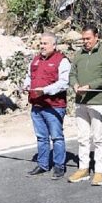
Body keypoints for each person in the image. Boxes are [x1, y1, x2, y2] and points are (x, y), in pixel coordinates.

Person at [68, 24, 102, 186]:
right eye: (83, 39)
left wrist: (88, 86)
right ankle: (83, 168)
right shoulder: (79, 54)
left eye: (88, 39)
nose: (85, 42)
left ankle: (99, 171)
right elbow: (72, 74)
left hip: (98, 101)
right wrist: (74, 85)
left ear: (96, 37)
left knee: (98, 138)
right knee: (82, 137)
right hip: (80, 102)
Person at [23, 32, 70, 180]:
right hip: (37, 106)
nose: (42, 46)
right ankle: (43, 164)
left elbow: (64, 83)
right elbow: (29, 77)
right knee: (41, 137)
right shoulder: (35, 60)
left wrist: (44, 90)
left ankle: (59, 166)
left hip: (54, 106)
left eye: (45, 43)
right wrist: (26, 85)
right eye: (41, 43)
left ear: (54, 45)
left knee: (56, 137)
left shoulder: (62, 61)